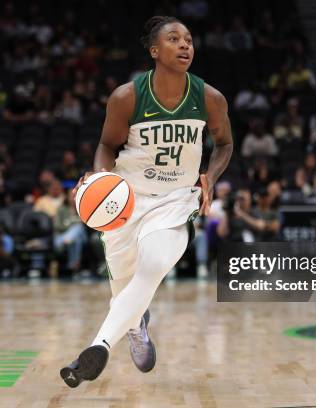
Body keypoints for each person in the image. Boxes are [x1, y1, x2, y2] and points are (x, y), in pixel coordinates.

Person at [60, 16, 233, 388]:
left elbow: (225, 144)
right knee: (125, 287)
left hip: (175, 198)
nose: (185, 45)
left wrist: (210, 178)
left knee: (154, 263)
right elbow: (107, 146)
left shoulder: (209, 98)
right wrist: (99, 178)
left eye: (188, 39)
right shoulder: (128, 96)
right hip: (125, 198)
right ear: (155, 51)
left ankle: (98, 345)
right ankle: (135, 322)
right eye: (174, 39)